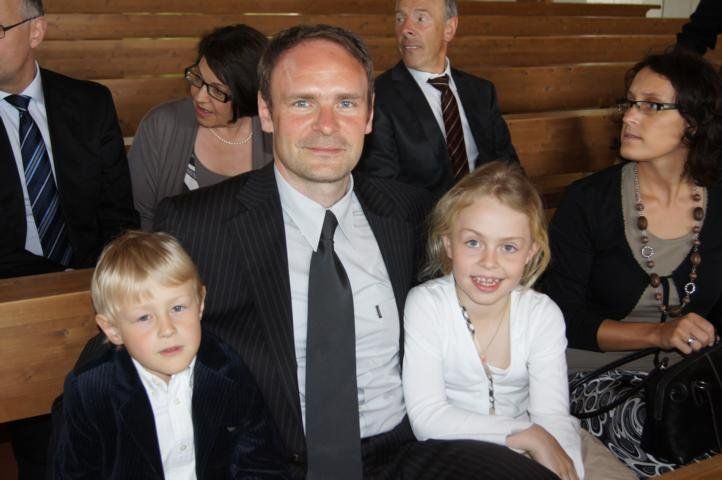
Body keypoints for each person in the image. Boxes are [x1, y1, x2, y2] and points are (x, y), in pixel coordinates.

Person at [155, 24, 557, 480]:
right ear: (267, 111)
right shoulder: (197, 224)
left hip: (403, 450)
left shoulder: (411, 214)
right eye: (303, 102)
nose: (327, 126)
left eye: (346, 103)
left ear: (368, 115)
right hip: (267, 462)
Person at [543, 49, 722, 476]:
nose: (629, 116)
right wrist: (660, 334)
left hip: (690, 376)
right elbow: (562, 318)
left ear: (694, 122)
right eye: (630, 103)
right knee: (668, 439)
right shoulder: (589, 201)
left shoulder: (717, 202)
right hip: (595, 374)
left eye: (652, 106)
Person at [403, 161, 638, 480]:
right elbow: (428, 418)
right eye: (473, 242)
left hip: (539, 440)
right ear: (448, 244)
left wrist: (562, 464)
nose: (489, 262)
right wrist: (526, 435)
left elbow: (552, 416)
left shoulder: (541, 314)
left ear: (530, 252)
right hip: (455, 450)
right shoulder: (426, 306)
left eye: (509, 247)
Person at [0, 1, 138, 477]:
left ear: (35, 30)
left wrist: (95, 288)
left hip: (93, 287)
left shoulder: (89, 102)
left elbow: (118, 215)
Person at [52, 231, 288, 479]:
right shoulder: (91, 391)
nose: (167, 329)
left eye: (177, 308)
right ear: (113, 330)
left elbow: (262, 462)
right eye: (144, 317)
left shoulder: (228, 370)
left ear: (200, 304)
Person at [357, 0, 517, 201]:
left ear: (449, 29)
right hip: (423, 218)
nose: (406, 29)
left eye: (420, 18)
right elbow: (383, 190)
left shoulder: (482, 92)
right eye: (399, 18)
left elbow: (509, 167)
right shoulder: (379, 97)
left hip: (488, 210)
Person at [129, 24, 272, 230]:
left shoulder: (275, 133)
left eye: (217, 90)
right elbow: (139, 218)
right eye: (197, 79)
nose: (199, 97)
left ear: (247, 94)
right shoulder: (161, 125)